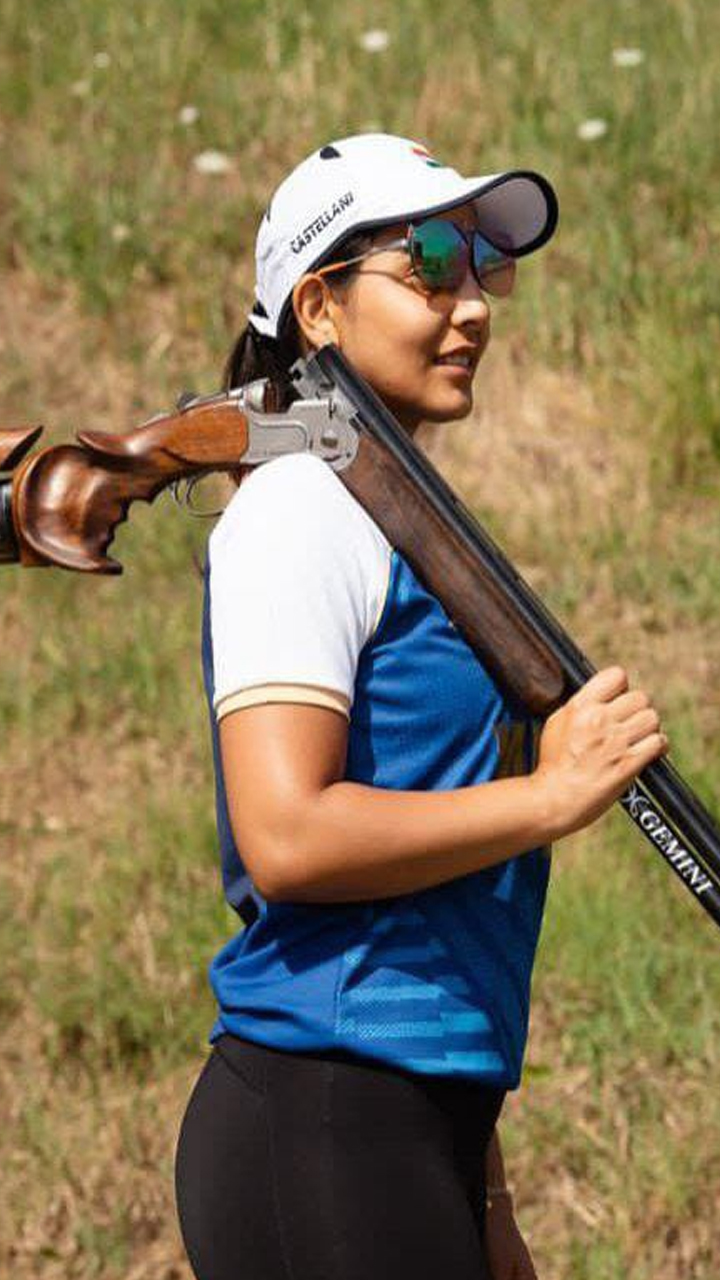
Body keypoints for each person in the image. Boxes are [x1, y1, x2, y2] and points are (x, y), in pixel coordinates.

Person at [173, 132, 668, 1280]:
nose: (474, 302)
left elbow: (434, 907)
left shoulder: (385, 522)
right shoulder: (294, 506)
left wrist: (481, 1183)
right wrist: (547, 794)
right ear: (319, 307)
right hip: (325, 1121)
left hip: (414, 1127)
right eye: (429, 263)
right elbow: (288, 836)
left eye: (483, 266)